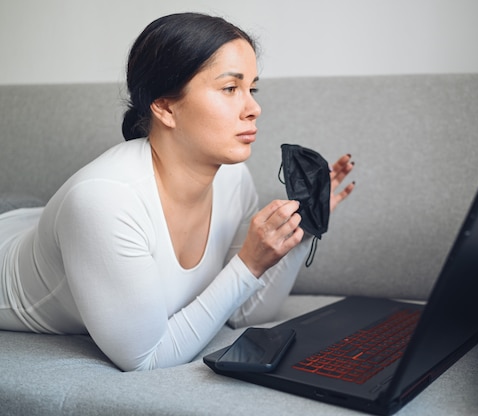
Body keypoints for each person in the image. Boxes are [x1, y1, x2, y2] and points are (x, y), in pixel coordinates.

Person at [0, 13, 354, 371]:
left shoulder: (234, 179)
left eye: (252, 89)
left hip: (41, 222)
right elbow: (144, 357)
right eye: (230, 89)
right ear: (166, 106)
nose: (254, 108)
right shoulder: (103, 200)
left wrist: (304, 227)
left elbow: (245, 311)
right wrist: (247, 263)